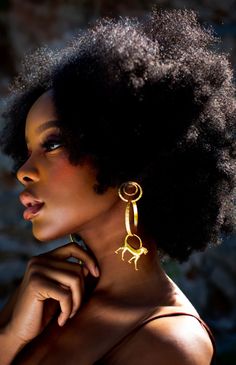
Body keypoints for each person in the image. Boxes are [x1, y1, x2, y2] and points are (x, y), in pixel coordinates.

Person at [0, 7, 235, 364]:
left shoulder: (169, 344)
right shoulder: (39, 294)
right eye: (27, 151)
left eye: (52, 144)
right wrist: (10, 336)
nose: (24, 172)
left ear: (122, 156)